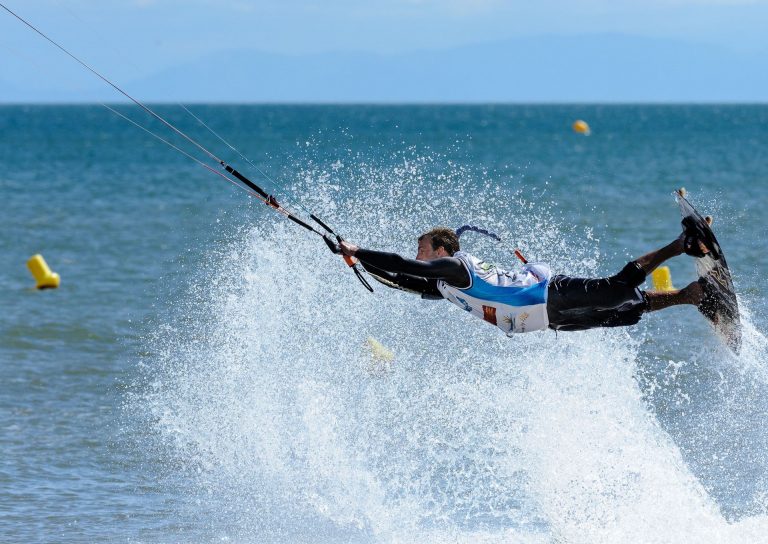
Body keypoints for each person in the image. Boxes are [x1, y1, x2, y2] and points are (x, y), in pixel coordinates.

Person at [336, 226, 709, 334]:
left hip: (548, 291)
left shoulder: (455, 268)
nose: (417, 256)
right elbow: (403, 281)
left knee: (616, 288)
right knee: (625, 312)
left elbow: (408, 267)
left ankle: (682, 244)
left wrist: (360, 248)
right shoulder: (444, 286)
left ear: (440, 249)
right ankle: (692, 296)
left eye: (422, 249)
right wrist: (358, 262)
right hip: (548, 319)